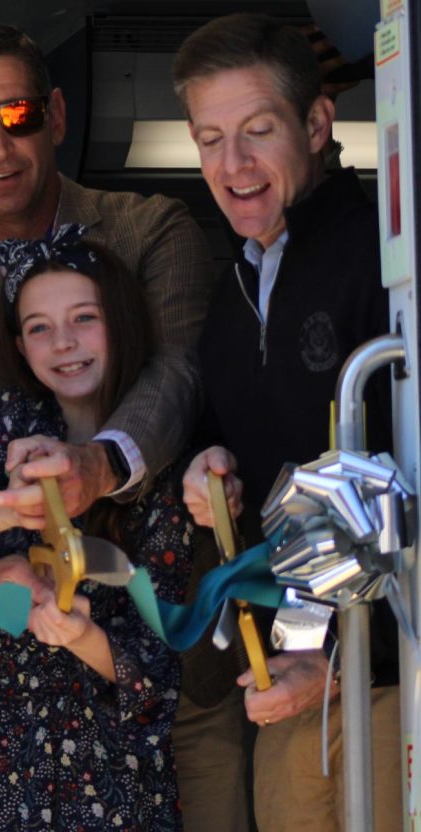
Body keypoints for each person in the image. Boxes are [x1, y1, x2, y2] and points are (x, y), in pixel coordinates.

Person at [173, 14, 399, 832]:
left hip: (389, 675)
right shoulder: (236, 288)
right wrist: (208, 465)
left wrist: (337, 655)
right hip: (290, 676)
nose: (231, 165)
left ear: (315, 125)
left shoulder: (385, 262)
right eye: (209, 139)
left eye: (257, 131)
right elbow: (229, 429)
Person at [0, 225, 191, 831]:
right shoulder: (13, 421)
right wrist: (6, 517)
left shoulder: (157, 462)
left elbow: (159, 670)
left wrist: (77, 634)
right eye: (39, 326)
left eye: (84, 318)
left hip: (109, 767)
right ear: (18, 342)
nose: (63, 342)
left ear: (122, 321)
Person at [0, 22, 214, 514]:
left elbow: (178, 372)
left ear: (58, 117)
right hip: (28, 580)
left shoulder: (154, 229)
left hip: (172, 576)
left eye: (21, 115)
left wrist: (100, 465)